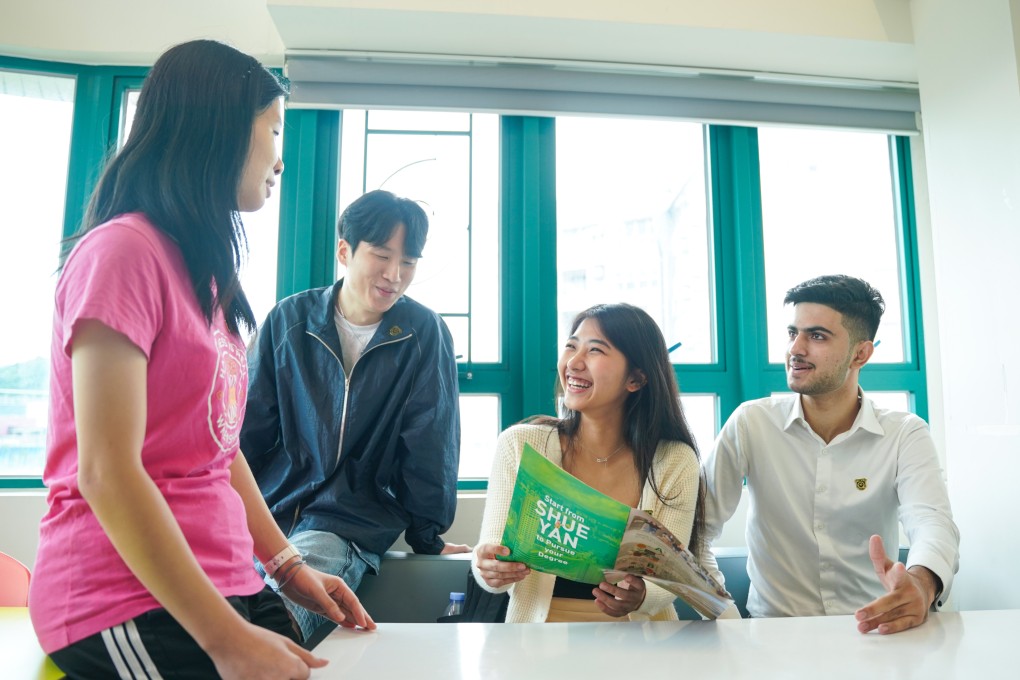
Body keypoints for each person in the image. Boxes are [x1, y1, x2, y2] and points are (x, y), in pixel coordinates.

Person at [28, 39, 374, 680]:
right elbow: (106, 471)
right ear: (218, 126)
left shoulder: (205, 278)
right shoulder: (122, 252)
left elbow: (217, 449)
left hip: (223, 582)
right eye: (274, 129)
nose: (280, 157)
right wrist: (225, 640)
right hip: (124, 598)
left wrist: (288, 568)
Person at [241, 188, 467, 640]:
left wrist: (428, 538)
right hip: (267, 517)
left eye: (408, 263)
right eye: (382, 256)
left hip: (346, 524)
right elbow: (248, 432)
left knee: (270, 623)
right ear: (345, 251)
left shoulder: (424, 334)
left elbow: (430, 445)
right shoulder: (289, 320)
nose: (394, 275)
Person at [700, 274, 959, 635]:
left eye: (817, 335)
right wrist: (726, 616)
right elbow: (697, 529)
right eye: (793, 333)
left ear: (861, 353)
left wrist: (921, 582)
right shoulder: (751, 423)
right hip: (772, 637)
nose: (796, 349)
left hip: (875, 632)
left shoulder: (905, 433)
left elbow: (933, 523)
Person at [472, 303, 705, 622]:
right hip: (538, 644)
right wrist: (489, 567)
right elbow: (493, 552)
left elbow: (670, 576)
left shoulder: (674, 460)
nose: (574, 363)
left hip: (642, 647)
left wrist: (641, 596)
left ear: (635, 379)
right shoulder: (521, 444)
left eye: (595, 351)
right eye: (571, 346)